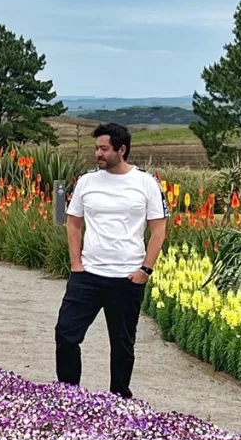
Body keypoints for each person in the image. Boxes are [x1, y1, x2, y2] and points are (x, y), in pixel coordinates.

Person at [55, 122, 167, 398]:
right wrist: (76, 265)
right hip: (88, 276)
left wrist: (145, 270)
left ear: (122, 149)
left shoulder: (145, 183)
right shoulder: (86, 181)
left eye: (104, 149)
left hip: (127, 278)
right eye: (96, 149)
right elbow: (72, 224)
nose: (98, 154)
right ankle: (68, 395)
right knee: (66, 335)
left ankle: (119, 398)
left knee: (122, 344)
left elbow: (158, 230)